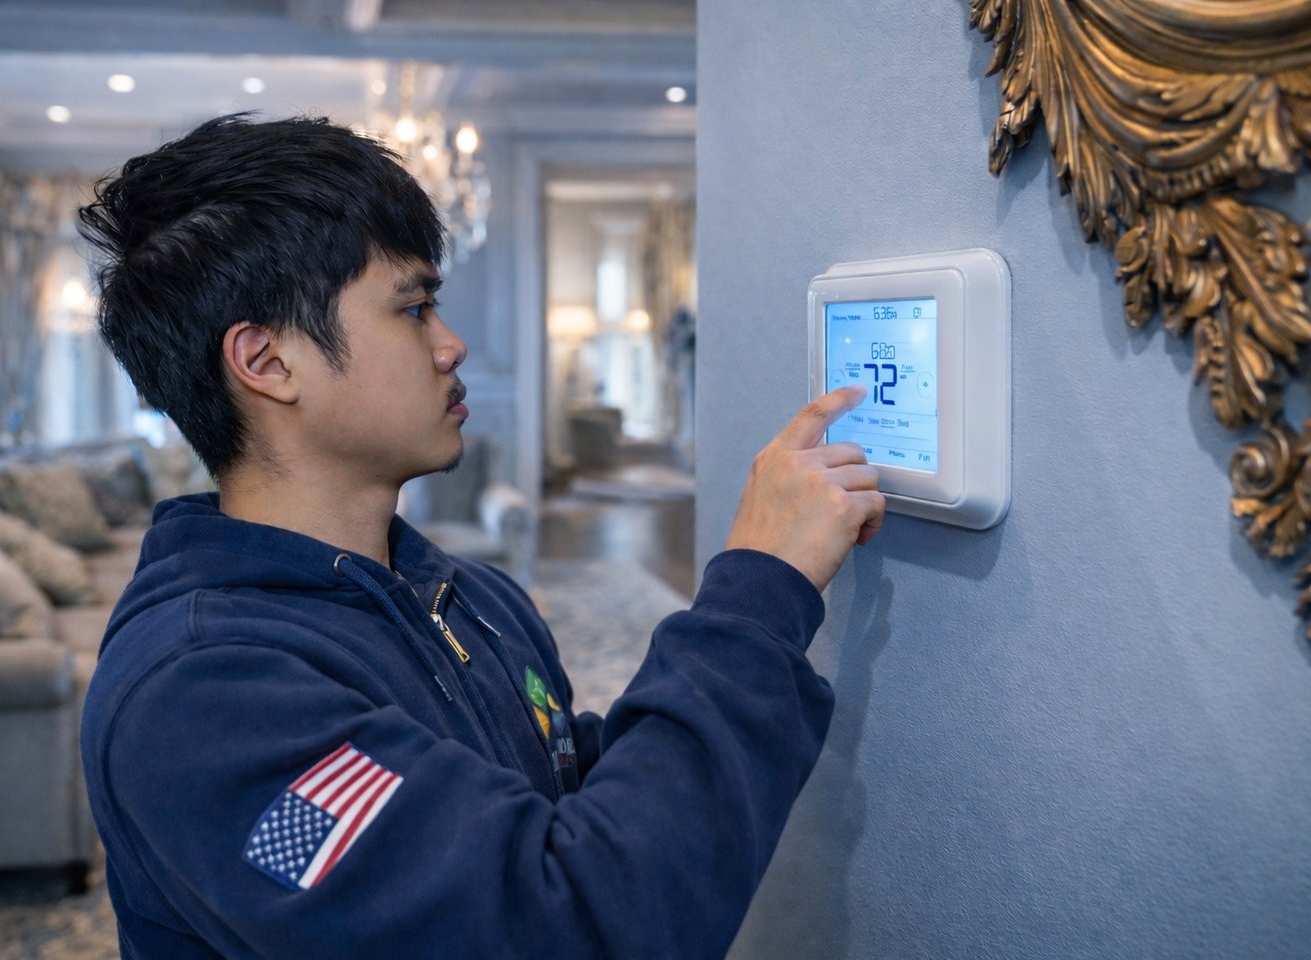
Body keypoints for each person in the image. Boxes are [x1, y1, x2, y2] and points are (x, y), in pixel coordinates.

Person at [77, 114, 884, 960]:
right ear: (268, 362)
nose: (453, 345)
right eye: (413, 308)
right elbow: (570, 931)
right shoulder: (203, 699)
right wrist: (759, 589)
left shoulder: (470, 597)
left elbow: (566, 801)